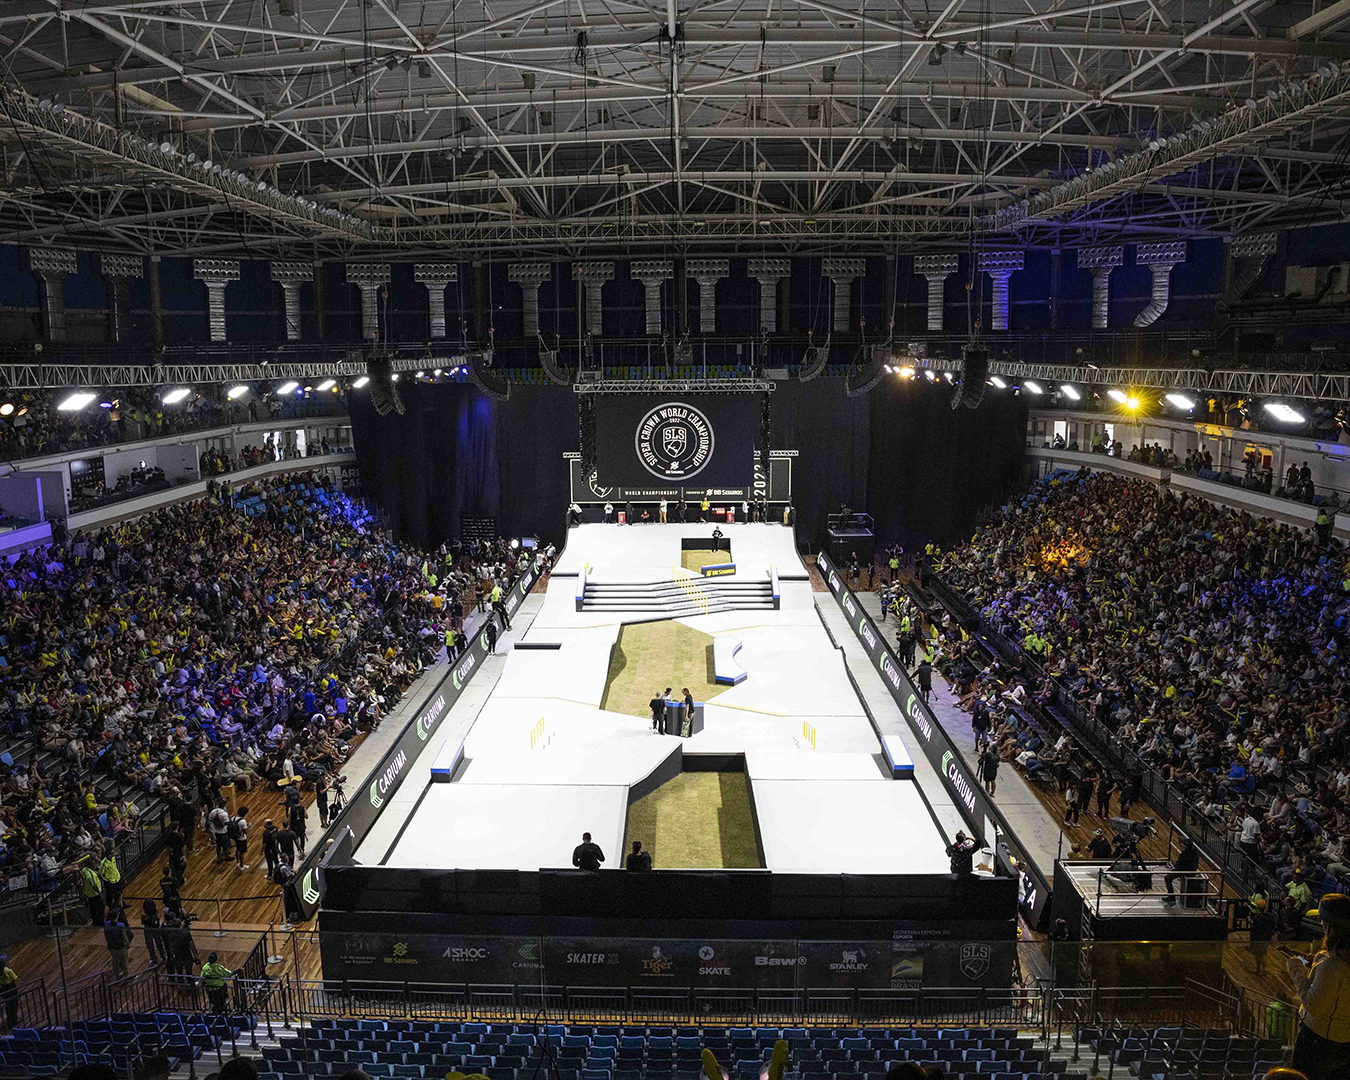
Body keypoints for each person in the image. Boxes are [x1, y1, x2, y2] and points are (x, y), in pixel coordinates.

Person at [1287, 893, 1350, 1080]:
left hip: (1318, 1043)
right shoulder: (1340, 960)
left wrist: (1297, 971)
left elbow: (1314, 1006)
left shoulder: (1333, 965)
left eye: (1322, 920)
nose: (1321, 924)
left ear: (1332, 925)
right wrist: (1313, 962)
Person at [1163, 838, 1200, 905]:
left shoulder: (1184, 854)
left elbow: (1179, 867)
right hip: (1190, 870)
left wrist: (1174, 870)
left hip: (1185, 871)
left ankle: (1171, 898)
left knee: (1167, 878)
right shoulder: (1194, 852)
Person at [104, 913, 133, 980]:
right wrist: (128, 944)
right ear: (117, 916)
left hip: (112, 946)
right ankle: (126, 975)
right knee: (124, 961)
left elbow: (106, 935)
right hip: (120, 946)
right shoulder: (120, 925)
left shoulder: (107, 924)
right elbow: (124, 936)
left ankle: (117, 975)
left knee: (115, 961)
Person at [141, 899, 165, 969]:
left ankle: (154, 959)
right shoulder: (155, 914)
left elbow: (143, 922)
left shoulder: (145, 917)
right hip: (155, 929)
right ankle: (163, 955)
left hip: (148, 930)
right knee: (158, 942)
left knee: (150, 945)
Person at [230, 806, 250, 872]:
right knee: (242, 852)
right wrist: (247, 827)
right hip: (242, 838)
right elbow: (245, 831)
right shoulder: (243, 821)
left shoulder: (233, 818)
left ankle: (237, 862)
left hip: (235, 837)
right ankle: (241, 865)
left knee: (237, 849)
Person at [0, 955, 18, 1030]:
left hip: (3, 988)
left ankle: (9, 1020)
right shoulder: (7, 970)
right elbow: (15, 978)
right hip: (10, 987)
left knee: (8, 1004)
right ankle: (14, 1020)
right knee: (14, 1003)